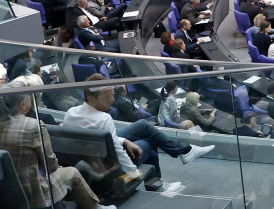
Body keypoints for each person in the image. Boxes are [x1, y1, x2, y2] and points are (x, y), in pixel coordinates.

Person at [64, 75, 212, 192]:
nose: (113, 99)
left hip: (94, 156)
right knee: (150, 141)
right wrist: (133, 172)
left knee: (142, 125)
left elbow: (100, 138)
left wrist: (124, 141)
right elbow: (117, 153)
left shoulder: (71, 113)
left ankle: (185, 151)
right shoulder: (104, 118)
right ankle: (157, 184)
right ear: (91, 98)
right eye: (107, 97)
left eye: (112, 95)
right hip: (108, 166)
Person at [0, 90, 116, 209]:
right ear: (22, 105)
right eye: (28, 100)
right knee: (73, 172)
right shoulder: (33, 125)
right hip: (34, 188)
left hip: (8, 190)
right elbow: (50, 163)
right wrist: (56, 166)